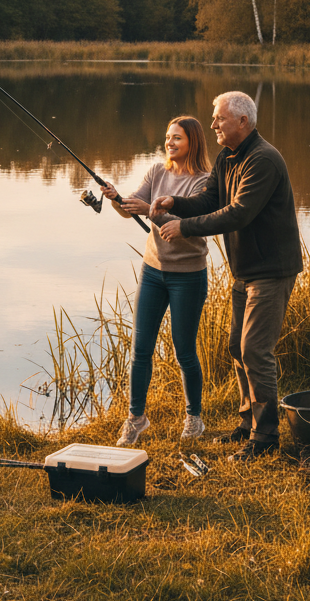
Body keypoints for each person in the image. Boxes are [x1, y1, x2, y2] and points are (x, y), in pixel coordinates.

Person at [150, 91, 302, 462]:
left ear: (242, 122)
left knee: (255, 350)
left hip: (271, 271)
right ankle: (248, 425)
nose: (213, 124)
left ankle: (266, 438)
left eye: (219, 119)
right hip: (246, 270)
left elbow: (237, 214)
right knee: (236, 346)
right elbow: (211, 198)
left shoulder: (263, 160)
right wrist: (177, 204)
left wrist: (184, 227)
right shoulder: (228, 157)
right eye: (215, 119)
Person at [102, 115, 212, 447]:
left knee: (184, 352)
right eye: (168, 137)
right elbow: (132, 209)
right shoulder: (156, 172)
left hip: (188, 276)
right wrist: (117, 200)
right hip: (152, 271)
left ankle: (194, 418)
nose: (170, 142)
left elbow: (185, 222)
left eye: (177, 138)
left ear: (192, 142)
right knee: (140, 350)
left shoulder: (204, 183)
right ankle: (136, 419)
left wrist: (149, 208)